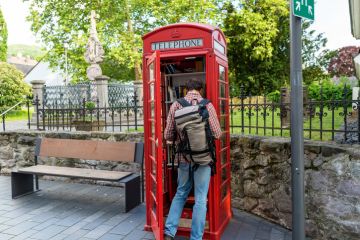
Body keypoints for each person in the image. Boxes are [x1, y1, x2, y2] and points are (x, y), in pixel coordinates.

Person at [163, 78, 222, 240]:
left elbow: (168, 134)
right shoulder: (207, 105)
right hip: (203, 158)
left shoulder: (176, 105)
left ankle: (169, 232)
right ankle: (196, 237)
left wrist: (178, 139)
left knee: (181, 192)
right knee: (201, 198)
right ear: (200, 90)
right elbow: (217, 134)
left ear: (185, 90)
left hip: (183, 157)